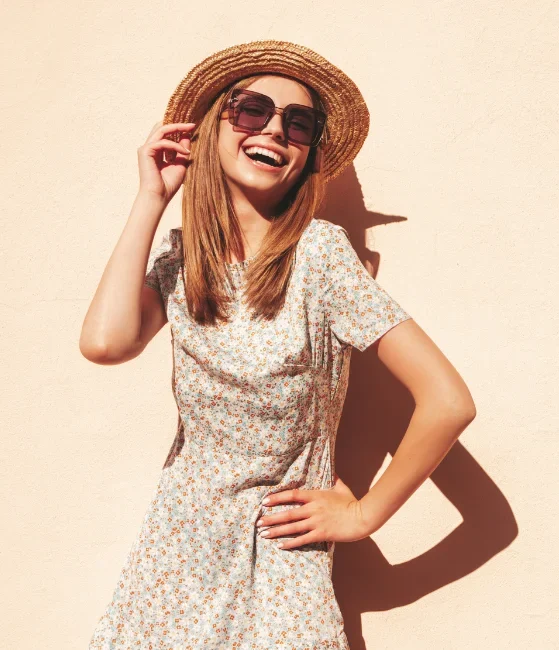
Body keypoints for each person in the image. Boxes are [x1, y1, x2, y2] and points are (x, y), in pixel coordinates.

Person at [81, 40, 477, 649]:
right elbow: (106, 343)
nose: (276, 129)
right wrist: (151, 199)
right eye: (252, 109)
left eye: (299, 123)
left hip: (279, 558)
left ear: (307, 153)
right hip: (176, 554)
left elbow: (448, 400)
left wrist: (363, 514)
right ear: (212, 128)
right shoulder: (186, 258)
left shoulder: (318, 255)